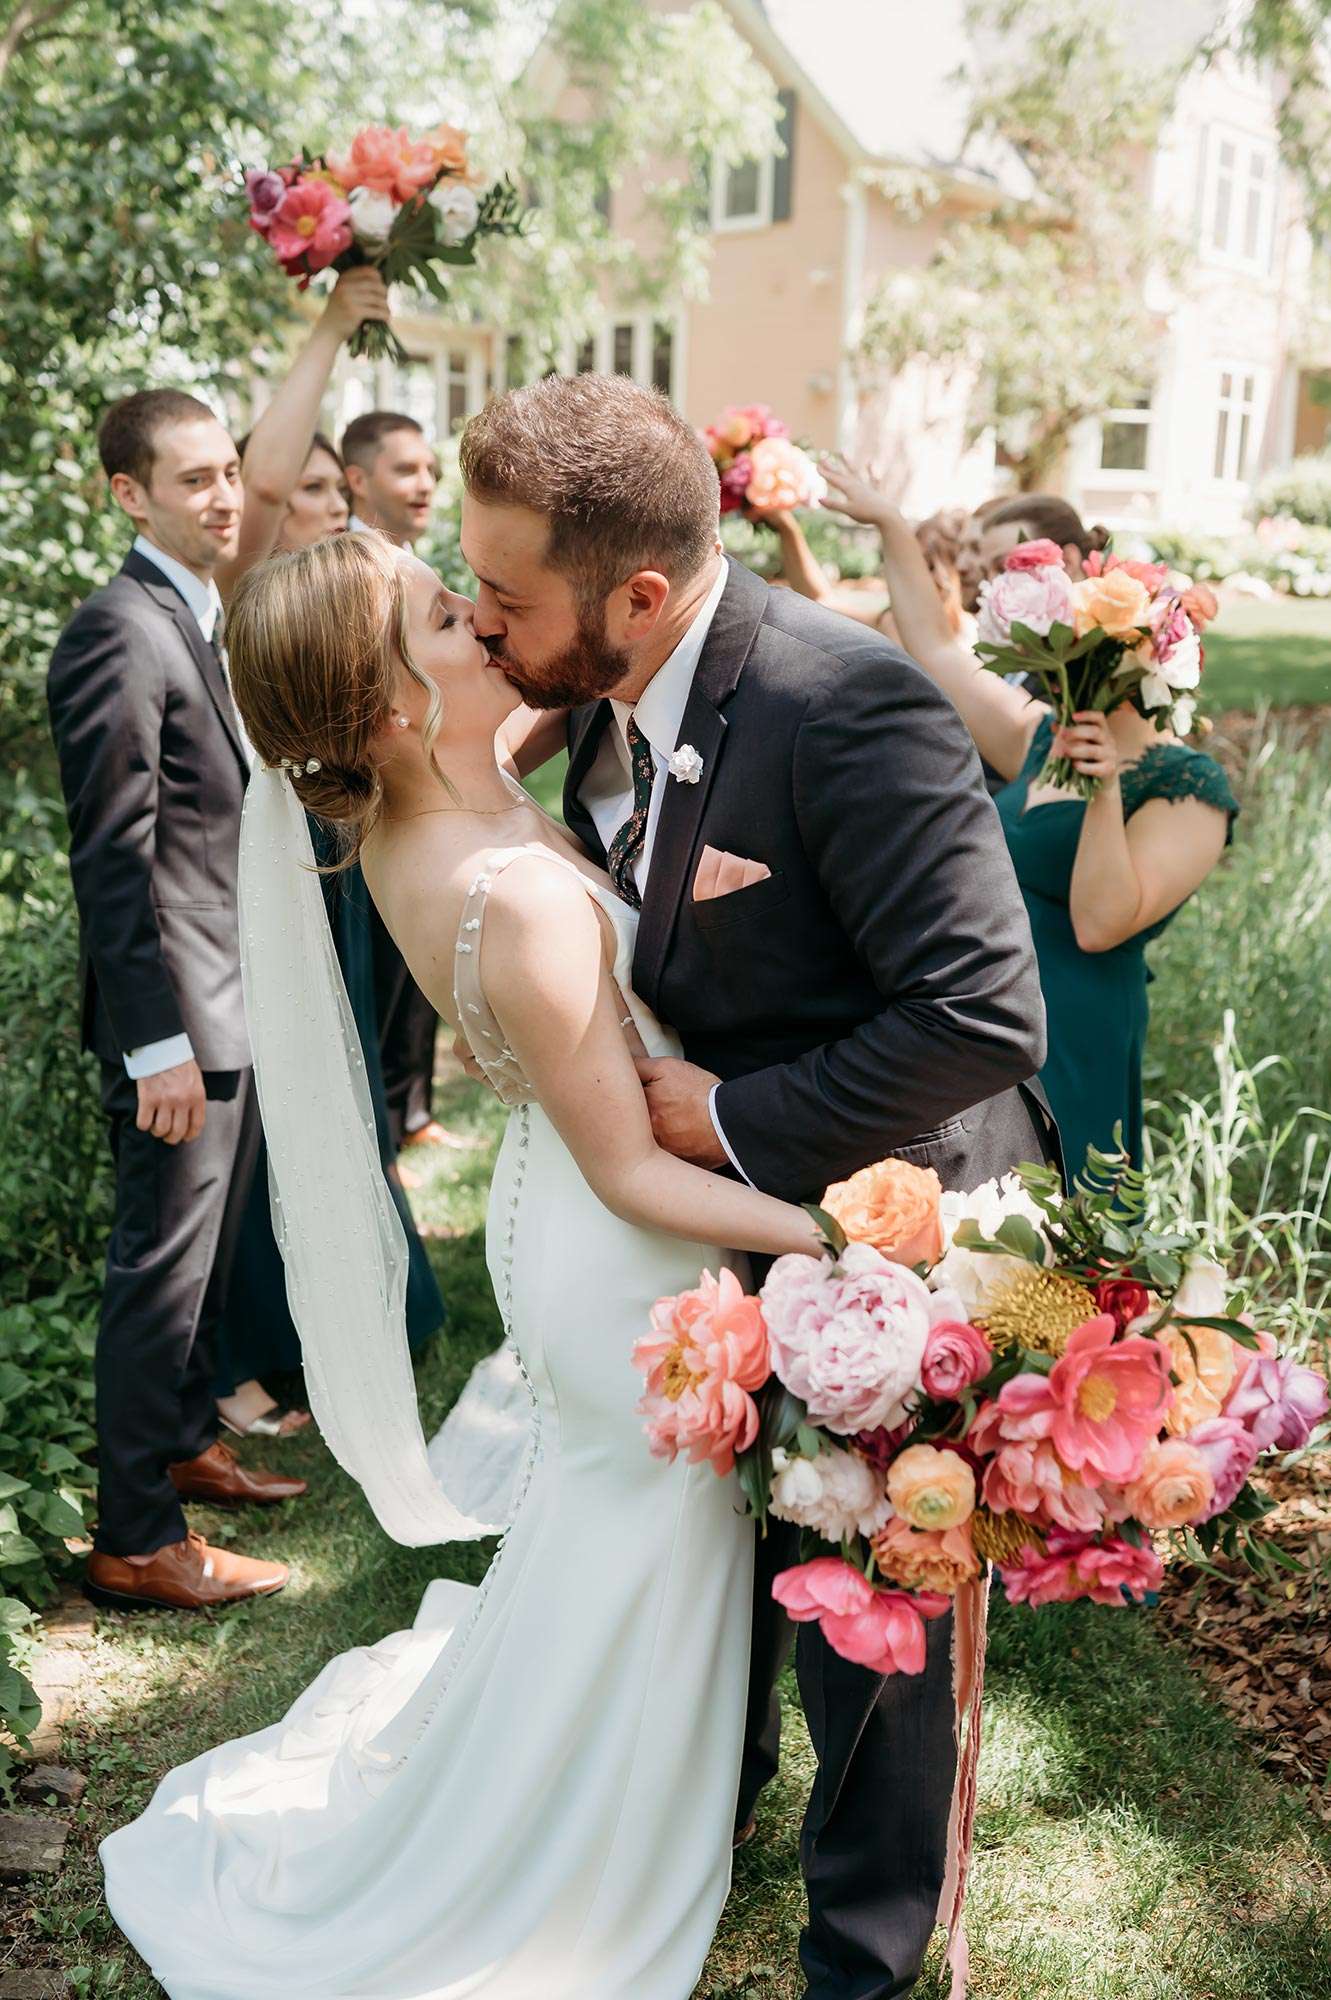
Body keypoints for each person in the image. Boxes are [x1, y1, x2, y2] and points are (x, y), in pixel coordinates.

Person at [100, 376, 1050, 2000]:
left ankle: (857, 1950)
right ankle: (662, 1819)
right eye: (456, 599)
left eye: (500, 597)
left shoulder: (833, 705)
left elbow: (981, 1014)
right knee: (720, 1559)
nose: (482, 618)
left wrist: (770, 1156)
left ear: (637, 597)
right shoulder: (559, 699)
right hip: (671, 1227)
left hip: (853, 1196)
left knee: (853, 1628)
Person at [46, 390, 306, 1614]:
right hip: (179, 1026)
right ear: (127, 494)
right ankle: (136, 1536)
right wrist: (156, 1042)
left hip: (227, 1005)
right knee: (157, 1268)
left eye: (227, 473)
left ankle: (188, 1441)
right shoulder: (118, 631)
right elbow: (113, 857)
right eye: (192, 477)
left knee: (196, 1264)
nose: (223, 495)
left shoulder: (192, 618)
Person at [821, 456, 1238, 1180]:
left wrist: (1105, 789)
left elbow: (1100, 922)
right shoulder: (1038, 738)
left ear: (1142, 656)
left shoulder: (1189, 787)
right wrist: (889, 522)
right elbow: (932, 647)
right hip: (982, 1020)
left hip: (1075, 1034)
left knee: (1058, 1244)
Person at [212, 270, 446, 1439]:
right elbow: (259, 472)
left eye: (320, 489)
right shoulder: (251, 591)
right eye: (296, 487)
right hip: (282, 868)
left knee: (354, 1077)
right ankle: (287, 1325)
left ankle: (374, 1287)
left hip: (346, 850)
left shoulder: (353, 585)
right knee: (296, 1090)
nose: (306, 502)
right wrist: (328, 324)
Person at [341, 408, 460, 1159]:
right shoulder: (344, 573)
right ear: (360, 479)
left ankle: (413, 1110)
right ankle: (380, 1132)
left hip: (434, 789)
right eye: (405, 470)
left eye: (429, 472)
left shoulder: (418, 564)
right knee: (381, 975)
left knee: (425, 970)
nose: (423, 485)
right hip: (373, 807)